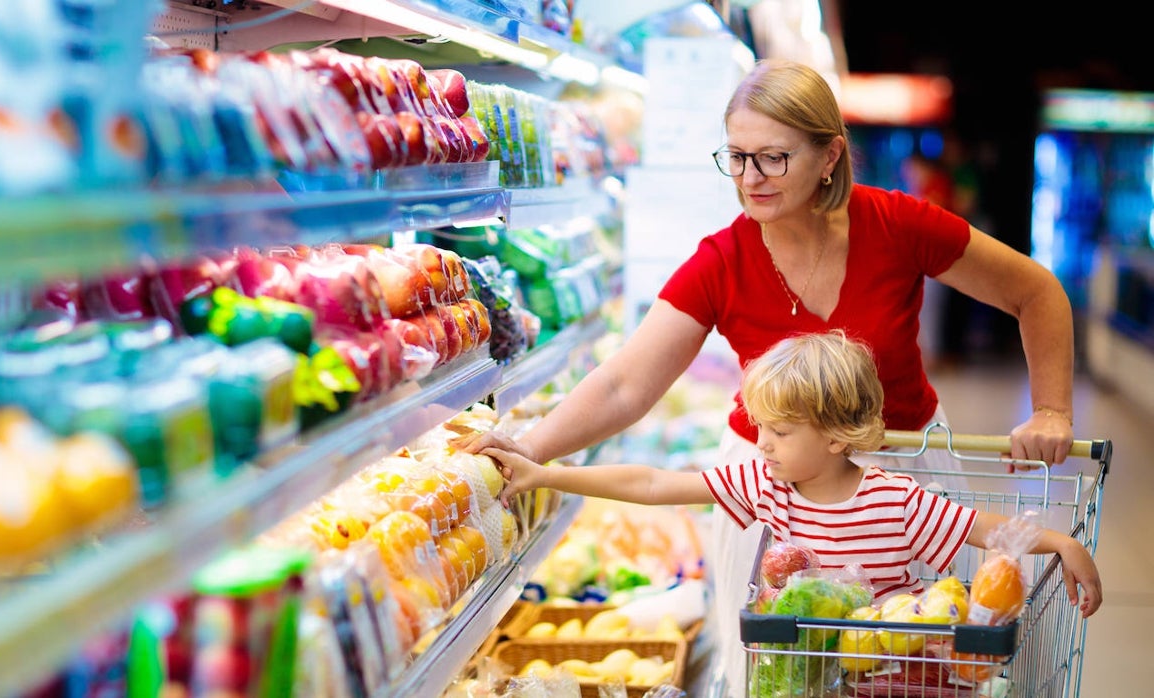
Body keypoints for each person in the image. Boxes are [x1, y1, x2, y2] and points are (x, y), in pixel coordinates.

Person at [455, 57, 1078, 694]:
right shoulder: (723, 260)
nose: (751, 178)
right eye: (737, 157)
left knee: (922, 667)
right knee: (782, 675)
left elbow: (1036, 293)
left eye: (774, 158)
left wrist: (1052, 409)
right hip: (776, 491)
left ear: (829, 154)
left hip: (904, 481)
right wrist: (529, 449)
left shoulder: (898, 225)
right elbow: (625, 384)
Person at [481, 330, 1102, 615]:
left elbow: (981, 529)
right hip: (797, 676)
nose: (761, 443)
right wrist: (544, 472)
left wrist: (1060, 542)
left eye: (779, 432)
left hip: (882, 675)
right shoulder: (765, 484)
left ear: (836, 437)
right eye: (760, 428)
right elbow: (650, 484)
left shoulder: (897, 500)